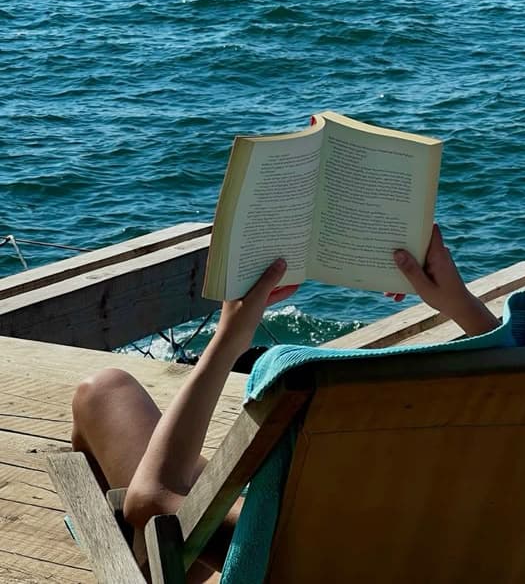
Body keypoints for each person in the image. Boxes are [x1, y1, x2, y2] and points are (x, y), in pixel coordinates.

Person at [70, 226, 499, 582]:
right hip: (411, 550)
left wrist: (231, 338)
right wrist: (460, 305)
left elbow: (149, 499)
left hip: (297, 560)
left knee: (103, 391)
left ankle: (151, 569)